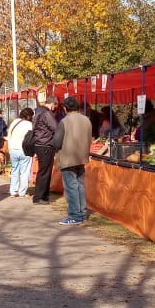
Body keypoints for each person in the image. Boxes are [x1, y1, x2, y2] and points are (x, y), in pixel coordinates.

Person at [53, 96, 92, 225]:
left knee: (71, 187)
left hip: (68, 157)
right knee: (80, 185)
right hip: (81, 157)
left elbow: (57, 141)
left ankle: (75, 215)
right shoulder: (86, 120)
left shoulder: (65, 121)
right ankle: (82, 213)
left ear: (65, 108)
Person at [31, 95, 60, 204]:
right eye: (55, 105)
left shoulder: (38, 112)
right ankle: (39, 197)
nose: (55, 108)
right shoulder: (46, 113)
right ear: (53, 103)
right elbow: (55, 127)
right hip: (46, 144)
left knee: (43, 171)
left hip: (39, 143)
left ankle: (42, 196)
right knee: (45, 171)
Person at [6, 108, 34, 198]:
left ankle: (13, 191)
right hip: (24, 150)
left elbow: (9, 135)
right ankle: (22, 192)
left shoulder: (15, 122)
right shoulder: (30, 125)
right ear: (29, 116)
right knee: (24, 171)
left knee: (15, 170)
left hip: (13, 149)